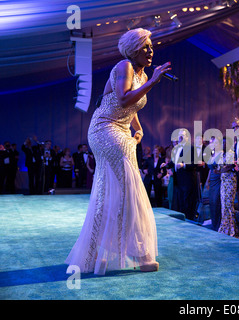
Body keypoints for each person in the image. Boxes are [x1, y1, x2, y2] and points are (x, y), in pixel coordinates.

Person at [65, 28, 172, 274]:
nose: (150, 50)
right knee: (128, 187)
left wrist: (139, 127)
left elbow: (130, 109)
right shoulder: (125, 66)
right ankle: (139, 253)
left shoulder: (143, 76)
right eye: (145, 46)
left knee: (113, 189)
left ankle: (95, 254)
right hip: (104, 129)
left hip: (123, 130)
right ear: (133, 49)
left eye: (151, 46)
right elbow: (122, 100)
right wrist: (155, 81)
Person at [164, 128, 199, 220]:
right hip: (178, 180)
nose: (179, 137)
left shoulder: (191, 148)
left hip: (187, 180)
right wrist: (166, 165)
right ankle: (182, 222)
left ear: (187, 137)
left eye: (182, 135)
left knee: (187, 203)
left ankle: (189, 222)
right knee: (179, 203)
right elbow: (173, 162)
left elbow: (195, 163)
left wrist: (184, 165)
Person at [218, 137, 238, 237]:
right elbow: (218, 168)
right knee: (224, 205)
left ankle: (232, 230)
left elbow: (229, 166)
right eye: (222, 143)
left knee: (229, 205)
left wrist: (221, 169)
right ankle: (225, 228)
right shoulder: (222, 154)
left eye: (225, 143)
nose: (223, 145)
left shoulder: (231, 153)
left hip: (230, 181)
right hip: (223, 181)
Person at [206, 137, 222, 231]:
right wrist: (207, 180)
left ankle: (218, 226)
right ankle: (213, 224)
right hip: (212, 180)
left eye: (215, 143)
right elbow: (210, 169)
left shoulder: (222, 154)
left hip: (218, 180)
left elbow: (222, 169)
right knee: (211, 202)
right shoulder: (212, 154)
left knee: (216, 202)